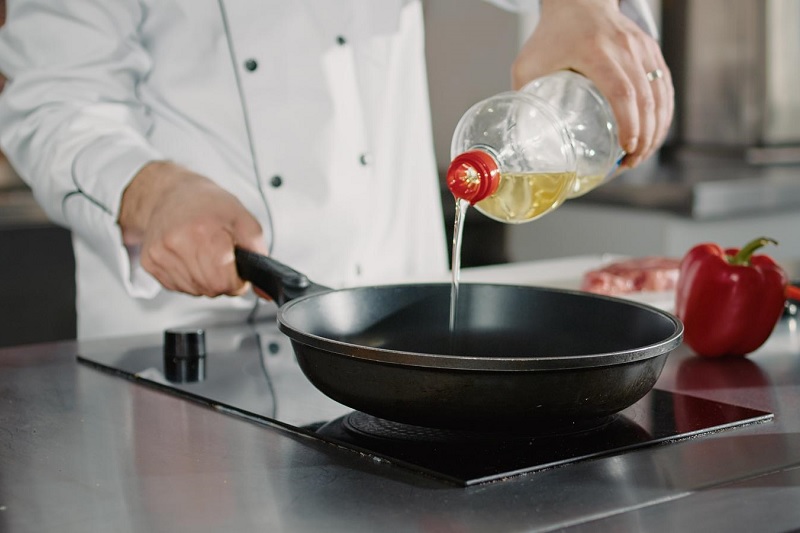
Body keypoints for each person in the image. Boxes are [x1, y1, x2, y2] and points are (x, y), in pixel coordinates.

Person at [0, 0, 673, 340]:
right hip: (180, 342)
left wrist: (581, 9)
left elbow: (603, 34)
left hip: (395, 329)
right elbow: (52, 101)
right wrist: (154, 190)